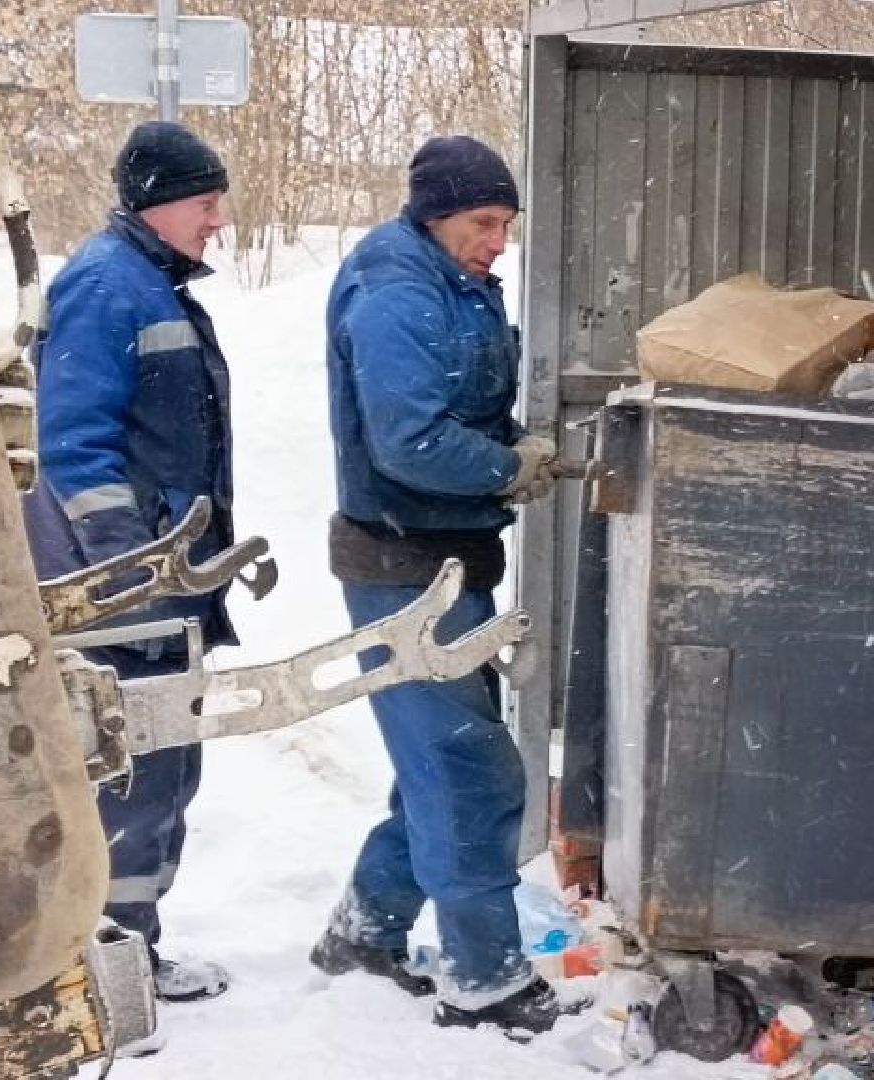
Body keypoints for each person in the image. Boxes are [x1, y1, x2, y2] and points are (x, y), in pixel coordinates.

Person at [308, 135, 559, 1038]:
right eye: (485, 224)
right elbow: (409, 441)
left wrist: (513, 444)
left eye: (507, 225)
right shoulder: (398, 291)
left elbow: (466, 404)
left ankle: (365, 935)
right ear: (436, 212)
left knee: (437, 765)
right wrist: (506, 470)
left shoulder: (452, 280)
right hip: (404, 569)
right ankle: (484, 977)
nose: (499, 242)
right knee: (468, 772)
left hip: (444, 563)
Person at [26, 120, 238, 1006]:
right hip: (123, 595)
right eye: (205, 201)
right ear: (157, 203)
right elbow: (72, 447)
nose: (218, 219)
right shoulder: (107, 289)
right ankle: (100, 982)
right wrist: (132, 566)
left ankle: (130, 960)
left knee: (165, 773)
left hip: (161, 588)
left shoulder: (146, 284)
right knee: (129, 783)